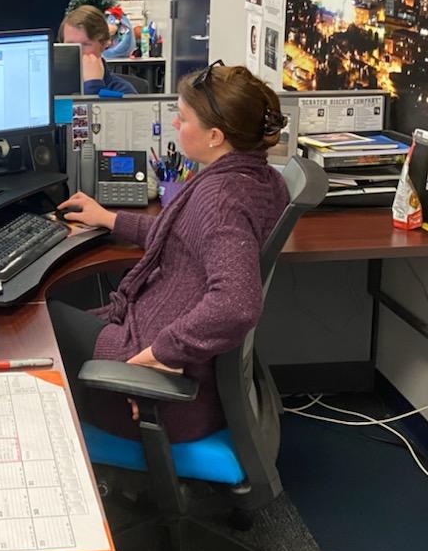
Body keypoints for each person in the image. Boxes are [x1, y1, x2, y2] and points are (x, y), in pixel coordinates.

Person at [49, 62, 289, 441]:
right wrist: (110, 219)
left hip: (162, 387)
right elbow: (182, 233)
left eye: (182, 118)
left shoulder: (221, 198)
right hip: (182, 363)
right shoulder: (261, 178)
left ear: (214, 135)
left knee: (37, 324)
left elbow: (237, 304)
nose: (175, 125)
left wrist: (161, 354)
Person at [61, 5, 136, 95]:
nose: (77, 51)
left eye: (85, 44)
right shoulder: (51, 86)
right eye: (70, 45)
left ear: (103, 44)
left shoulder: (123, 91)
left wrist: (93, 85)